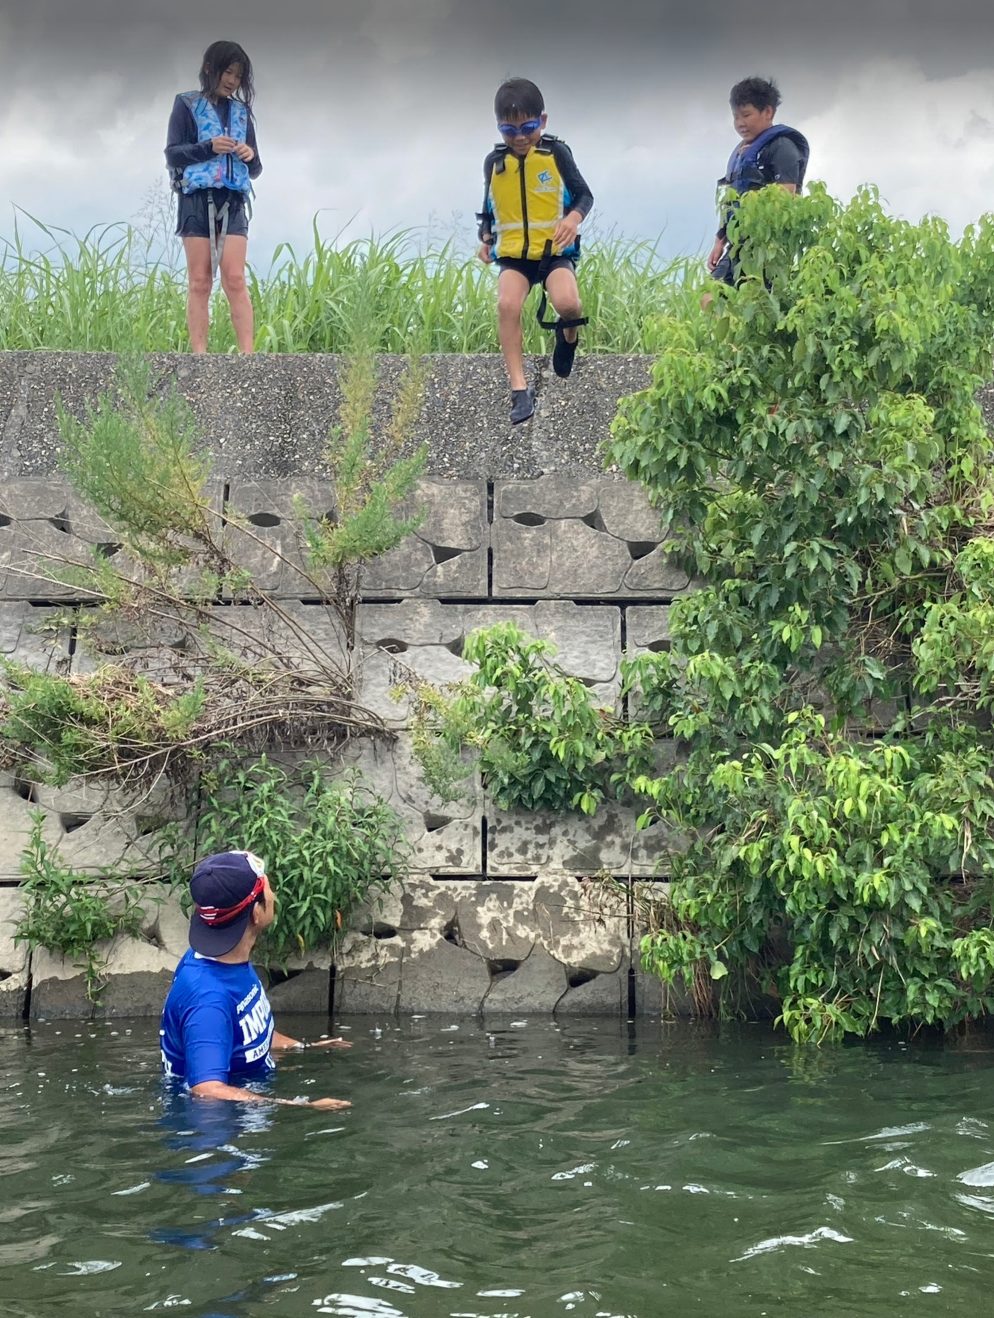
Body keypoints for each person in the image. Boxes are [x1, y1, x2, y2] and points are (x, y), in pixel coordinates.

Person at [160, 850, 352, 1109]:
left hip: (248, 1099)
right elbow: (207, 1090)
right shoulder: (208, 1000)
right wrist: (302, 1106)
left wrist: (305, 1047)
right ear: (257, 913)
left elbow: (250, 1034)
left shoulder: (224, 958)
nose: (273, 895)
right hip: (224, 1124)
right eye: (269, 889)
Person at [476, 77, 593, 425]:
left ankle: (568, 337)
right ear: (499, 127)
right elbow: (489, 208)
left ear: (542, 120)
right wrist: (486, 238)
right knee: (507, 304)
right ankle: (519, 389)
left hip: (553, 252)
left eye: (527, 128)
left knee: (568, 304)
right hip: (514, 256)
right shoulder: (494, 162)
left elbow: (584, 195)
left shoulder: (557, 154)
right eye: (509, 130)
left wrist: (572, 219)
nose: (520, 137)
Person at [165, 40, 262, 354]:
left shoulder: (242, 113)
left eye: (238, 75)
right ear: (210, 69)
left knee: (234, 277)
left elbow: (256, 168)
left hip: (233, 201)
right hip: (196, 200)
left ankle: (248, 356)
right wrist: (208, 148)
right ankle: (199, 356)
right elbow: (172, 154)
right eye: (227, 72)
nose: (232, 80)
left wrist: (249, 156)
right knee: (200, 280)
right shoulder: (186, 104)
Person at [707, 76, 809, 288]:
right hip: (739, 245)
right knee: (709, 296)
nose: (740, 123)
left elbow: (785, 198)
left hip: (767, 247)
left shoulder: (782, 147)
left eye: (746, 115)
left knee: (751, 297)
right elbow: (731, 200)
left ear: (768, 112)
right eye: (736, 117)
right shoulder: (741, 153)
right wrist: (720, 240)